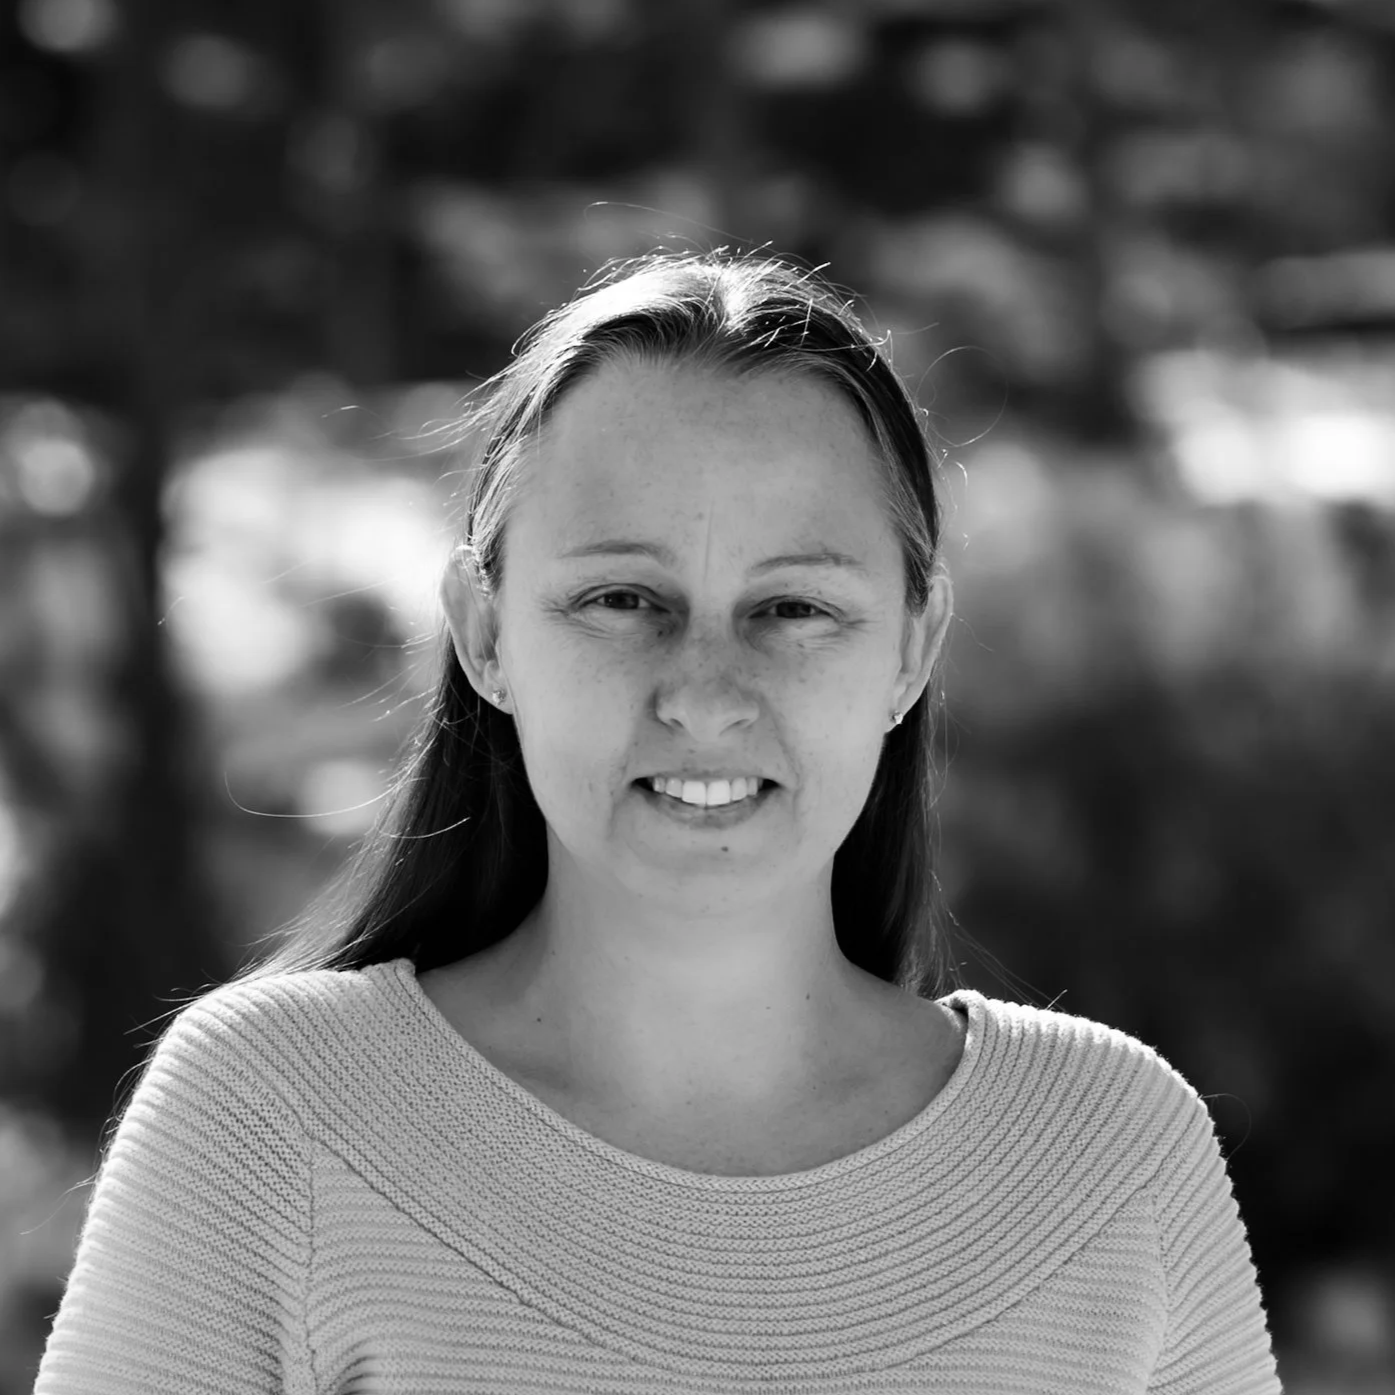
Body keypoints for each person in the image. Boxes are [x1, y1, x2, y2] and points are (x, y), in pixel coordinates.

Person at [34, 251, 1282, 1393]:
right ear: (482, 635)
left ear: (913, 647)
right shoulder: (271, 1120)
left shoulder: (1114, 1159)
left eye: (793, 609)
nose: (703, 692)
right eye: (623, 598)